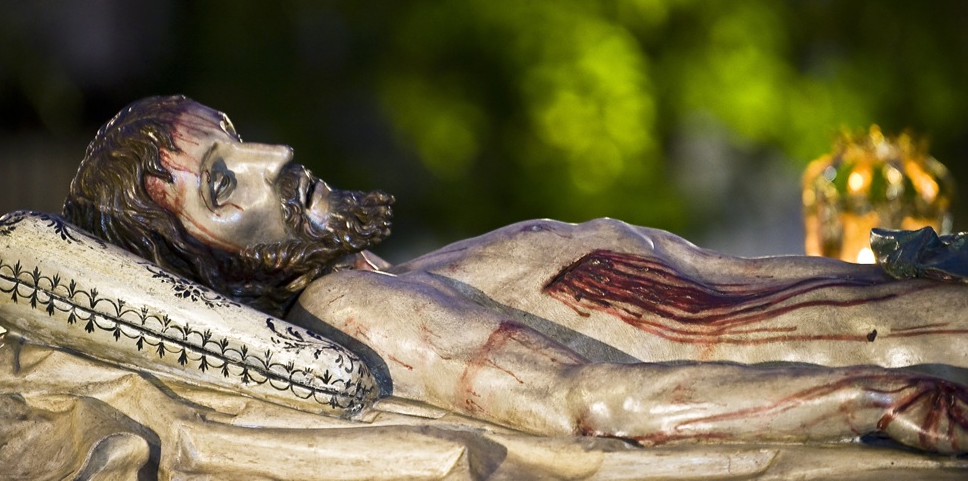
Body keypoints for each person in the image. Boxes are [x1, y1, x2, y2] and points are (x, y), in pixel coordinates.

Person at [56, 95, 968, 454]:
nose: (278, 154)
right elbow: (600, 400)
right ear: (210, 262)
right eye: (224, 183)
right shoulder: (366, 311)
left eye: (234, 133)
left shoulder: (421, 277)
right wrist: (876, 398)